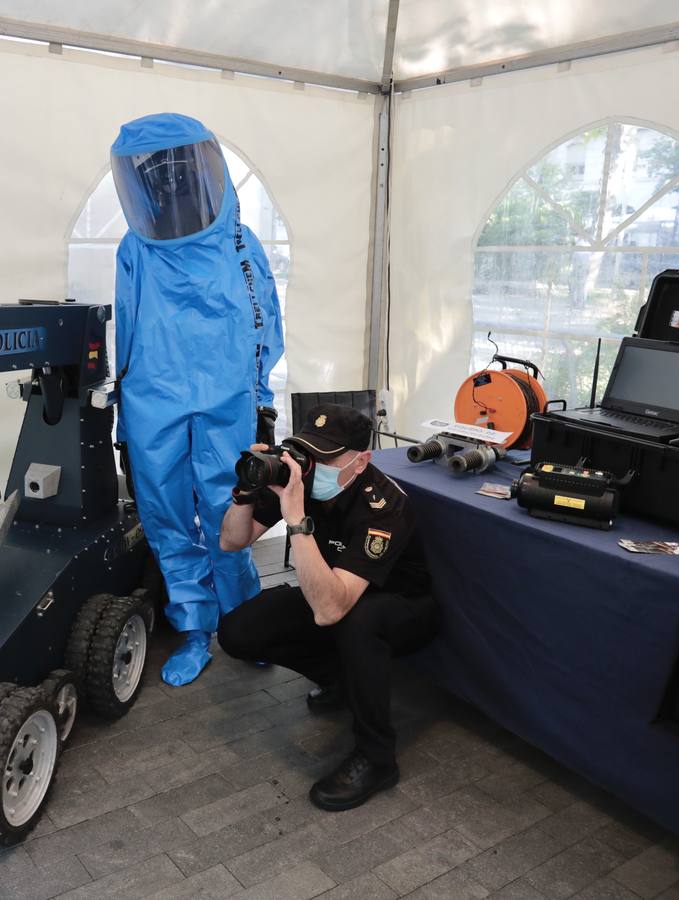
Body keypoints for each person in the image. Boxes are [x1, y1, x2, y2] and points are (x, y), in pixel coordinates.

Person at [110, 112, 284, 686]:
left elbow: (265, 322)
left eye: (178, 165)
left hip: (223, 392)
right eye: (157, 170)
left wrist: (260, 397)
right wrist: (125, 405)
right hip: (152, 394)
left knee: (226, 506)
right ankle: (193, 626)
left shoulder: (237, 241)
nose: (170, 179)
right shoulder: (136, 248)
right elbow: (127, 327)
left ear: (200, 164)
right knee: (163, 512)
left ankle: (243, 619)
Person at [217, 404, 438, 811]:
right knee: (238, 631)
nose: (312, 464)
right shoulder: (301, 479)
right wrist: (246, 492)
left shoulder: (383, 504)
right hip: (333, 589)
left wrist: (297, 520)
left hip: (401, 605)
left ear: (361, 460)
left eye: (326, 456)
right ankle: (337, 678)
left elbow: (330, 612)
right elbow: (233, 540)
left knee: (358, 622)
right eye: (306, 451)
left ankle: (377, 758)